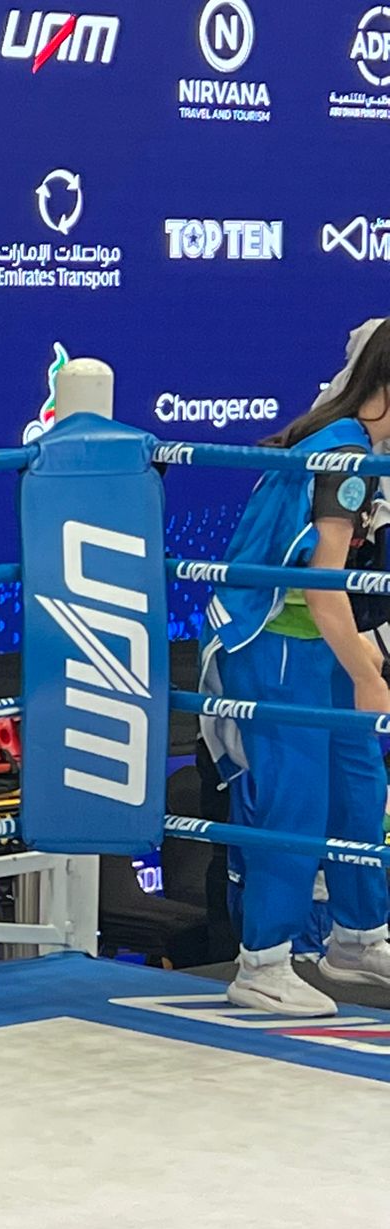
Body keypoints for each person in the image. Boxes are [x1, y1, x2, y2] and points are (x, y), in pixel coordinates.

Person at [200, 321, 390, 1017]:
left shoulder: (355, 443)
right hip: (274, 642)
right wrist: (369, 674)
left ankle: (358, 938)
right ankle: (263, 964)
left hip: (321, 644)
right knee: (297, 803)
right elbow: (321, 587)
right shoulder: (341, 454)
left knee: (360, 788)